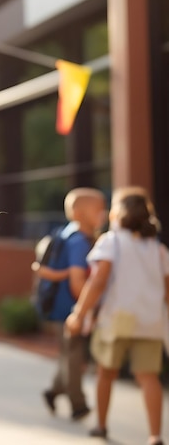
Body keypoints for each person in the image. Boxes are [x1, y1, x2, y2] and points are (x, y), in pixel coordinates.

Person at [66, 187, 169, 445]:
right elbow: (167, 290)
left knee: (106, 373)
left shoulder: (111, 241)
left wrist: (79, 313)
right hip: (150, 321)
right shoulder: (158, 249)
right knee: (148, 377)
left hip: (116, 319)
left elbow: (98, 281)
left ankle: (101, 425)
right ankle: (155, 435)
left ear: (117, 214)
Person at [36, 187, 106, 421]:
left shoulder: (67, 234)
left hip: (60, 306)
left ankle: (53, 391)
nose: (103, 214)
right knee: (75, 356)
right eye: (98, 209)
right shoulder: (79, 242)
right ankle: (78, 404)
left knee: (69, 353)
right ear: (78, 213)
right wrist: (86, 309)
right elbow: (78, 282)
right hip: (72, 308)